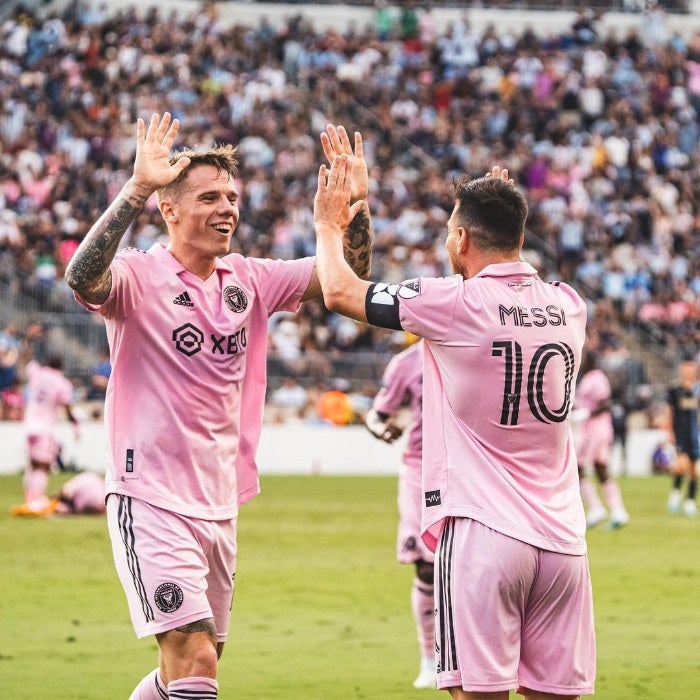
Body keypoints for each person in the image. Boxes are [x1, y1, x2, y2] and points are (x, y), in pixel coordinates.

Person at [63, 112, 372, 699]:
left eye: (232, 196)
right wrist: (135, 188)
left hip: (218, 500)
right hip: (148, 495)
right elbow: (83, 276)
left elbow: (349, 278)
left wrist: (355, 208)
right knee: (196, 655)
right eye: (209, 197)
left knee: (189, 669)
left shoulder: (250, 278)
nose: (228, 207)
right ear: (169, 209)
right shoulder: (137, 276)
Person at [313, 158, 594, 699]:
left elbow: (342, 293)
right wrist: (500, 206)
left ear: (462, 239)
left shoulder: (453, 304)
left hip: (483, 534)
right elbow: (511, 275)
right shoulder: (568, 306)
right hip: (563, 542)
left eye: (449, 233)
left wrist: (329, 224)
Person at [365, 338, 436, 689]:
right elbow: (376, 416)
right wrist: (383, 430)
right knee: (427, 565)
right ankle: (430, 659)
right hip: (421, 470)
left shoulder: (477, 342)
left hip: (471, 467)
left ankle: (467, 655)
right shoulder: (406, 363)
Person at [9, 354, 80, 517]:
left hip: (28, 427)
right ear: (61, 366)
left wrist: (28, 339)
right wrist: (75, 425)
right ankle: (34, 502)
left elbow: (26, 360)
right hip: (44, 428)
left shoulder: (38, 373)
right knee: (43, 466)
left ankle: (30, 500)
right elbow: (67, 406)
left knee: (32, 466)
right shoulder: (61, 382)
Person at [573, 350, 630, 529]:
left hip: (595, 430)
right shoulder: (589, 377)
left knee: (578, 467)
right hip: (596, 429)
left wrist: (587, 413)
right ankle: (617, 511)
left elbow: (605, 403)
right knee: (600, 467)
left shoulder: (596, 377)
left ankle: (596, 508)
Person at [665, 359, 699, 517]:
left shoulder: (697, 391)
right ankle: (676, 494)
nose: (688, 372)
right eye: (685, 369)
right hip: (681, 433)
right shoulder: (675, 391)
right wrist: (669, 431)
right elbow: (670, 412)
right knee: (681, 466)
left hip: (696, 435)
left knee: (695, 470)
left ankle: (690, 501)